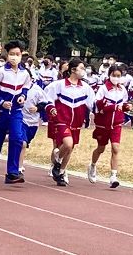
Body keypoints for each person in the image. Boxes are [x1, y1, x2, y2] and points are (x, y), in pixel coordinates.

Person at [0, 40, 32, 184]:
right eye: (11, 54)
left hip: (16, 111)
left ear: (21, 55)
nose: (14, 57)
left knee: (17, 138)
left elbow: (26, 87)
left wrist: (23, 96)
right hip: (0, 112)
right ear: (7, 55)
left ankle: (12, 172)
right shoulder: (0, 72)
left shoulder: (25, 73)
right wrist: (1, 102)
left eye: (17, 54)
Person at [45, 58, 95, 187]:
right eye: (81, 68)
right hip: (62, 120)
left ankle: (61, 172)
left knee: (70, 149)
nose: (84, 71)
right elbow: (47, 98)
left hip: (77, 122)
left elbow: (93, 104)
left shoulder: (86, 88)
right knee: (68, 144)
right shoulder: (59, 85)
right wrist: (51, 108)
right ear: (73, 69)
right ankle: (57, 160)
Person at [88, 64, 129, 188]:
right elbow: (98, 105)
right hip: (103, 124)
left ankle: (113, 176)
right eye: (114, 75)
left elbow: (124, 104)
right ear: (109, 75)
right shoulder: (103, 89)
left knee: (115, 148)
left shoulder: (122, 90)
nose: (116, 78)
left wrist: (126, 107)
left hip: (116, 123)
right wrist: (112, 107)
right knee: (101, 148)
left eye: (118, 76)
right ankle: (92, 165)